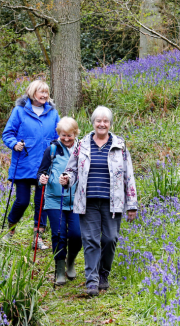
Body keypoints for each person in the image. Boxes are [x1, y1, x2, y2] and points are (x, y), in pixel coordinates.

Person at [60, 106, 138, 297]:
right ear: (93, 122)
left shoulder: (120, 144)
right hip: (87, 201)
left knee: (110, 239)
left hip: (114, 202)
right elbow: (72, 170)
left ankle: (104, 273)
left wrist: (132, 204)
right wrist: (66, 179)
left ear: (110, 124)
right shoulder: (82, 145)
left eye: (106, 121)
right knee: (90, 240)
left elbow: (129, 176)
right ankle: (92, 281)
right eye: (98, 121)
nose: (102, 124)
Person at [2, 80, 59, 249]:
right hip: (24, 163)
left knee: (42, 201)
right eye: (41, 92)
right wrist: (14, 143)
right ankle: (10, 229)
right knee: (22, 201)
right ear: (32, 93)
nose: (44, 95)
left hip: (45, 165)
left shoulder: (53, 113)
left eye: (46, 93)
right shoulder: (19, 111)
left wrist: (57, 147)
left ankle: (38, 237)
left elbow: (60, 134)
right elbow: (8, 133)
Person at [38, 117, 81, 286]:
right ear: (59, 134)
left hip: (77, 199)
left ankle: (71, 261)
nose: (67, 139)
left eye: (70, 135)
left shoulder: (82, 150)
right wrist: (41, 178)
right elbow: (41, 172)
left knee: (77, 235)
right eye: (63, 135)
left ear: (75, 133)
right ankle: (60, 268)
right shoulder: (52, 150)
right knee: (58, 234)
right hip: (55, 200)